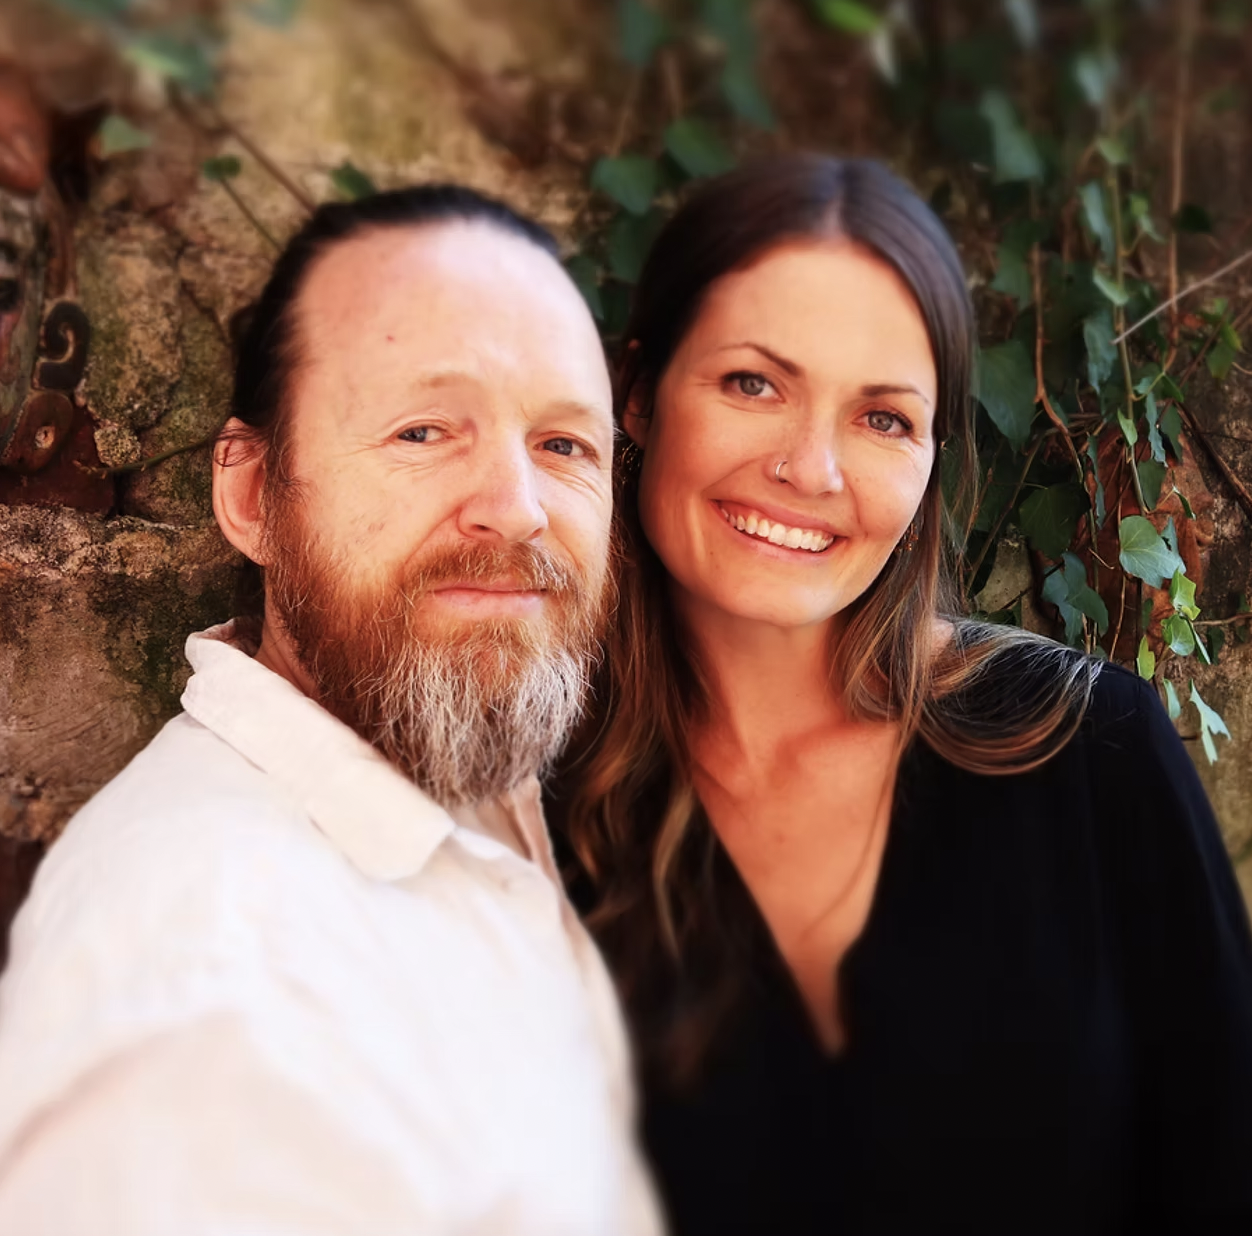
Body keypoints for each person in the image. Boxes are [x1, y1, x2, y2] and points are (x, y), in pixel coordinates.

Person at [555, 154, 1252, 1235]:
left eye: (881, 418)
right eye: (753, 383)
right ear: (639, 394)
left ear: (932, 456)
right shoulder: (525, 803)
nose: (811, 469)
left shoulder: (1086, 750)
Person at [0, 185, 661, 1235]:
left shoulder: (453, 783)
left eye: (565, 446)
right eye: (423, 429)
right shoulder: (209, 997)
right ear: (253, 496)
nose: (519, 506)